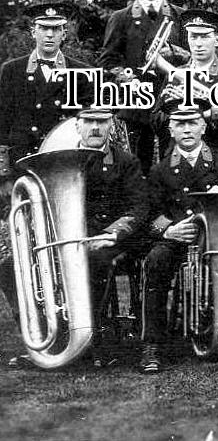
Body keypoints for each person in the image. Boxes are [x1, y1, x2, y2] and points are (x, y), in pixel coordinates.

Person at [0, 102, 148, 368]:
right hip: (67, 236)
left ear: (110, 126)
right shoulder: (57, 159)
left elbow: (139, 208)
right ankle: (42, 335)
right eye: (89, 122)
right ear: (77, 125)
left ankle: (91, 337)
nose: (95, 127)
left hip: (107, 240)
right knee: (10, 267)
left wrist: (112, 234)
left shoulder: (126, 162)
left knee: (94, 261)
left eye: (102, 122)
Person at [140, 97, 218, 374]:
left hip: (216, 236)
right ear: (171, 130)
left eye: (192, 123)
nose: (186, 130)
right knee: (156, 261)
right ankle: (153, 343)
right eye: (179, 124)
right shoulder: (159, 169)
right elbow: (150, 211)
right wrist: (168, 228)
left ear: (203, 127)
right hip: (180, 237)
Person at [98, 0, 188, 172]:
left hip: (172, 102)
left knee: (174, 164)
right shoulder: (121, 18)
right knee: (136, 166)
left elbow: (194, 58)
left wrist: (173, 52)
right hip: (136, 103)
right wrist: (126, 80)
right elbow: (107, 60)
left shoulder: (179, 16)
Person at [0, 3, 93, 179]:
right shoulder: (12, 70)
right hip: (21, 161)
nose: (49, 35)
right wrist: (3, 169)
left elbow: (87, 123)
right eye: (43, 28)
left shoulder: (81, 72)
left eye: (56, 29)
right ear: (33, 32)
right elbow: (2, 121)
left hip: (63, 160)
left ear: (64, 34)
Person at [154, 9, 218, 161]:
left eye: (205, 37)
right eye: (193, 37)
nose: (198, 44)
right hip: (179, 158)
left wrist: (208, 113)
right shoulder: (175, 75)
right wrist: (173, 109)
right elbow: (155, 121)